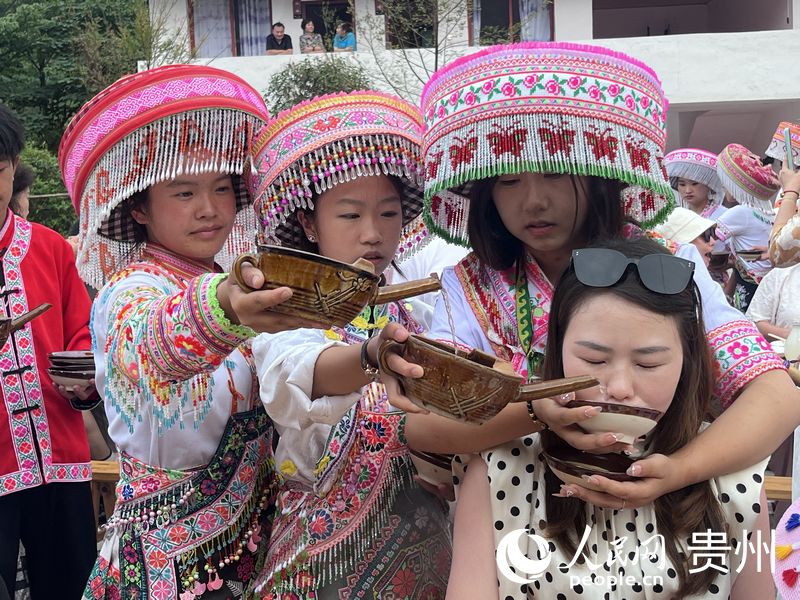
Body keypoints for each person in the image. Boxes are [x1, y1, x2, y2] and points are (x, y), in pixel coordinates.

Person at [379, 42, 796, 512]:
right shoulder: (471, 285)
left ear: (598, 173)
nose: (532, 202)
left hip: (655, 519)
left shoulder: (668, 262)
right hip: (509, 523)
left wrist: (680, 470)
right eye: (508, 181)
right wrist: (534, 411)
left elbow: (775, 393)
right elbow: (423, 424)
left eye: (555, 174)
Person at [61, 65, 318, 600]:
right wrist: (225, 304)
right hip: (167, 557)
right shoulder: (126, 291)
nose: (209, 209)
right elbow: (157, 346)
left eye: (222, 188)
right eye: (183, 193)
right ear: (139, 207)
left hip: (258, 540)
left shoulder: (241, 279)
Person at [447, 236, 773, 599]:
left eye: (648, 363)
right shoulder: (499, 469)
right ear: (557, 350)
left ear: (688, 361)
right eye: (594, 360)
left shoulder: (733, 479)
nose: (618, 387)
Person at [246, 91, 451, 598]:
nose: (373, 234)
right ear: (310, 224)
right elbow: (300, 374)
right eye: (350, 216)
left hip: (425, 541)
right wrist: (369, 356)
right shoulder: (287, 309)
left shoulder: (417, 307)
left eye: (387, 214)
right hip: (322, 556)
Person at [0, 105, 96, 599]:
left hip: (58, 451)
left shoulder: (52, 248)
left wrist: (84, 380)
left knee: (69, 584)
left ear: (12, 166)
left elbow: (81, 333)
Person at [714, 143, 778, 312]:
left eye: (725, 182)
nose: (722, 187)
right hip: (768, 285)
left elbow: (710, 240)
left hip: (749, 285)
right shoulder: (773, 213)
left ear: (735, 185)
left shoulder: (740, 212)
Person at [663, 147, 726, 219]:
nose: (688, 191)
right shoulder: (675, 216)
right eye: (682, 184)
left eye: (694, 184)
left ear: (708, 184)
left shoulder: (722, 216)